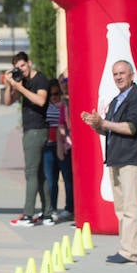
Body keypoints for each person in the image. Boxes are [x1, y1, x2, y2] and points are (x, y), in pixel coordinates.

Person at [81, 60, 137, 264]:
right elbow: (109, 129)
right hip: (116, 158)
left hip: (132, 157)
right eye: (115, 74)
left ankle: (130, 252)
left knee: (131, 207)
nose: (118, 77)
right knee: (121, 208)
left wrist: (103, 123)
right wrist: (96, 124)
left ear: (132, 75)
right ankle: (125, 248)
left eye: (122, 73)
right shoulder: (116, 100)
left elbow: (130, 128)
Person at [3, 51, 52, 227]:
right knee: (39, 174)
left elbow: (40, 100)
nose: (21, 70)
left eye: (23, 66)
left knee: (30, 172)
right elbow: (8, 102)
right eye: (17, 67)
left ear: (29, 63)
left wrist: (20, 87)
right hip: (31, 130)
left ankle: (29, 215)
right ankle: (48, 214)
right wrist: (10, 85)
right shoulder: (22, 81)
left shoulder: (40, 79)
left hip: (37, 131)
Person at [43, 79, 73, 223]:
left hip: (63, 145)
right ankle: (52, 208)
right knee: (51, 180)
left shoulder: (65, 105)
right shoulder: (45, 107)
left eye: (56, 94)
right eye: (50, 94)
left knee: (67, 178)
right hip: (49, 147)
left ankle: (69, 208)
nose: (53, 97)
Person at [54, 74, 75, 222]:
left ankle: (79, 210)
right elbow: (61, 124)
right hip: (68, 145)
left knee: (78, 179)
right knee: (67, 178)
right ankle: (70, 209)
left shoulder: (77, 97)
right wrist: (60, 145)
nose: (64, 84)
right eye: (61, 82)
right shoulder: (63, 103)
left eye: (66, 81)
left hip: (80, 147)